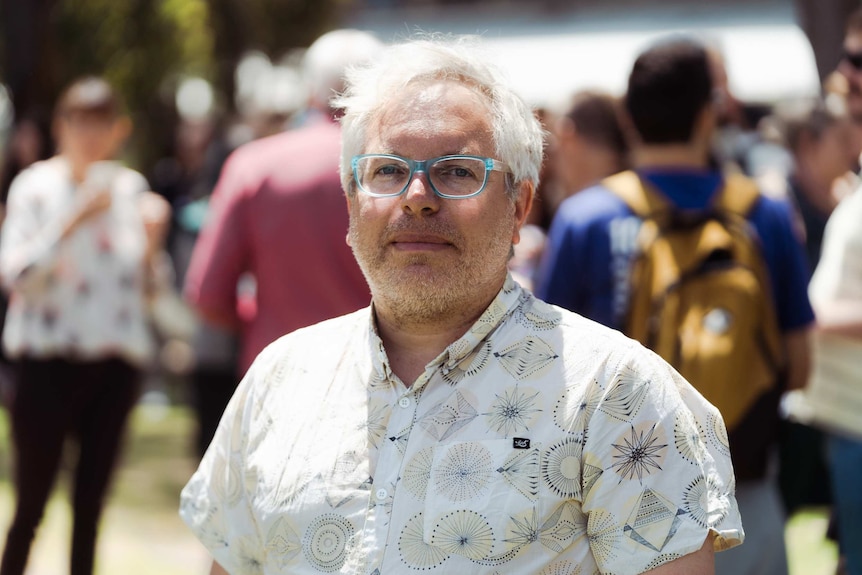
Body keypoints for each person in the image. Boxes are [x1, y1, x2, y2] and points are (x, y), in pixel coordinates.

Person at [180, 34, 743, 574]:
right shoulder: (281, 380)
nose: (418, 198)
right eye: (388, 171)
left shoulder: (617, 394)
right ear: (352, 203)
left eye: (456, 172)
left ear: (520, 206)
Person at [535, 36, 814, 575]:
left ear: (628, 117)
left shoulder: (585, 218)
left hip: (616, 501)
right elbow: (799, 367)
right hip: (747, 491)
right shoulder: (764, 214)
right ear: (709, 116)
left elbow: (549, 371)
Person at [0, 77, 170, 575]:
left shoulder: (131, 188)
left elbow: (152, 293)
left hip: (114, 367)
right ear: (62, 127)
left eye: (103, 125)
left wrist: (155, 244)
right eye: (81, 123)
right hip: (45, 363)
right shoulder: (35, 186)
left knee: (90, 507)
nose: (91, 136)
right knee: (31, 504)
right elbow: (18, 277)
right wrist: (73, 218)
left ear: (119, 130)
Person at [183, 29, 383, 376]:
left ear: (309, 91)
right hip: (385, 375)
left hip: (279, 372)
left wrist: (268, 316)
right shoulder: (412, 174)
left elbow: (208, 294)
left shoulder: (253, 166)